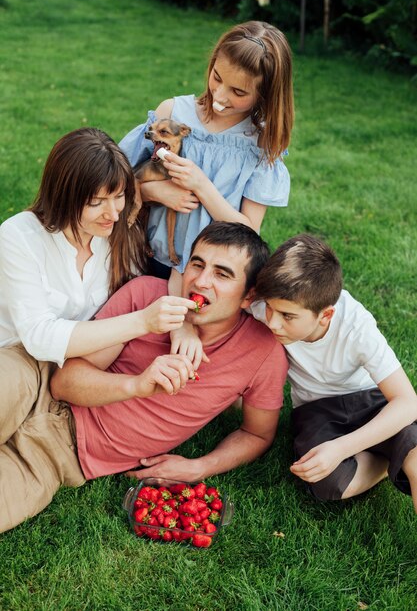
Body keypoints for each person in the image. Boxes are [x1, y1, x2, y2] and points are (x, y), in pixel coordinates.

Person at [0, 222, 288, 533]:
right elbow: (63, 384)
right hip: (35, 380)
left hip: (63, 454)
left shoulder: (263, 352)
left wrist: (198, 467)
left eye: (222, 274)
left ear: (249, 296)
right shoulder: (146, 294)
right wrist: (137, 384)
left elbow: (257, 434)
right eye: (197, 264)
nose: (201, 281)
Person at [0, 127, 196, 444]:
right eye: (96, 202)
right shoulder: (19, 235)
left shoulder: (120, 236)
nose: (113, 213)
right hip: (18, 356)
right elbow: (39, 337)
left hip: (84, 367)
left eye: (119, 196)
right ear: (63, 196)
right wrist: (142, 321)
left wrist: (183, 326)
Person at [252, 234, 417, 511]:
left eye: (287, 316)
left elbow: (407, 401)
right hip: (316, 410)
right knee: (326, 481)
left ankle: (401, 454)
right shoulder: (268, 306)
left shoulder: (356, 326)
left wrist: (342, 448)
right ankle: (386, 458)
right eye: (269, 308)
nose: (273, 323)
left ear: (325, 315)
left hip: (369, 399)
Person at [119, 20, 294, 282]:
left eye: (238, 91)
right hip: (147, 256)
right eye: (217, 78)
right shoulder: (172, 113)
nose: (220, 96)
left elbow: (248, 233)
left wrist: (201, 184)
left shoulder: (259, 145)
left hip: (207, 277)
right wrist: (150, 191)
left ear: (265, 95)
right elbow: (117, 178)